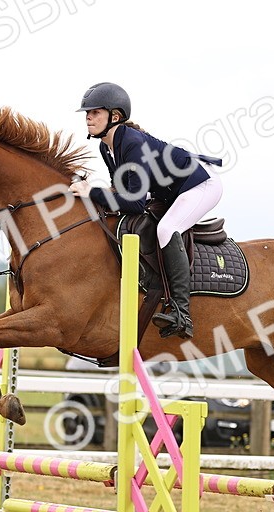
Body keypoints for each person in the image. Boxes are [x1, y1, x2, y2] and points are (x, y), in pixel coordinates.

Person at [70, 82, 222, 339]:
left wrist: (91, 192)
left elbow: (134, 203)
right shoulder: (106, 147)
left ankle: (182, 313)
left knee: (167, 228)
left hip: (200, 185)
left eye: (95, 112)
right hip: (170, 191)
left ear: (114, 116)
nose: (88, 116)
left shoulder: (131, 143)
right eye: (87, 112)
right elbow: (120, 190)